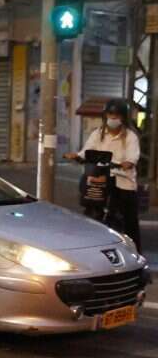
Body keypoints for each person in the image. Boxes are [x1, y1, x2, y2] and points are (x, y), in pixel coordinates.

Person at [64, 98, 141, 251]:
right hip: (101, 177)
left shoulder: (130, 137)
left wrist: (127, 163)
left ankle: (136, 251)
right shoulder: (98, 134)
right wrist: (77, 156)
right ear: (105, 116)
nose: (113, 118)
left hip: (122, 180)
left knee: (129, 220)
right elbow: (87, 151)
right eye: (110, 115)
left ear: (124, 117)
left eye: (117, 115)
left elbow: (132, 158)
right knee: (89, 203)